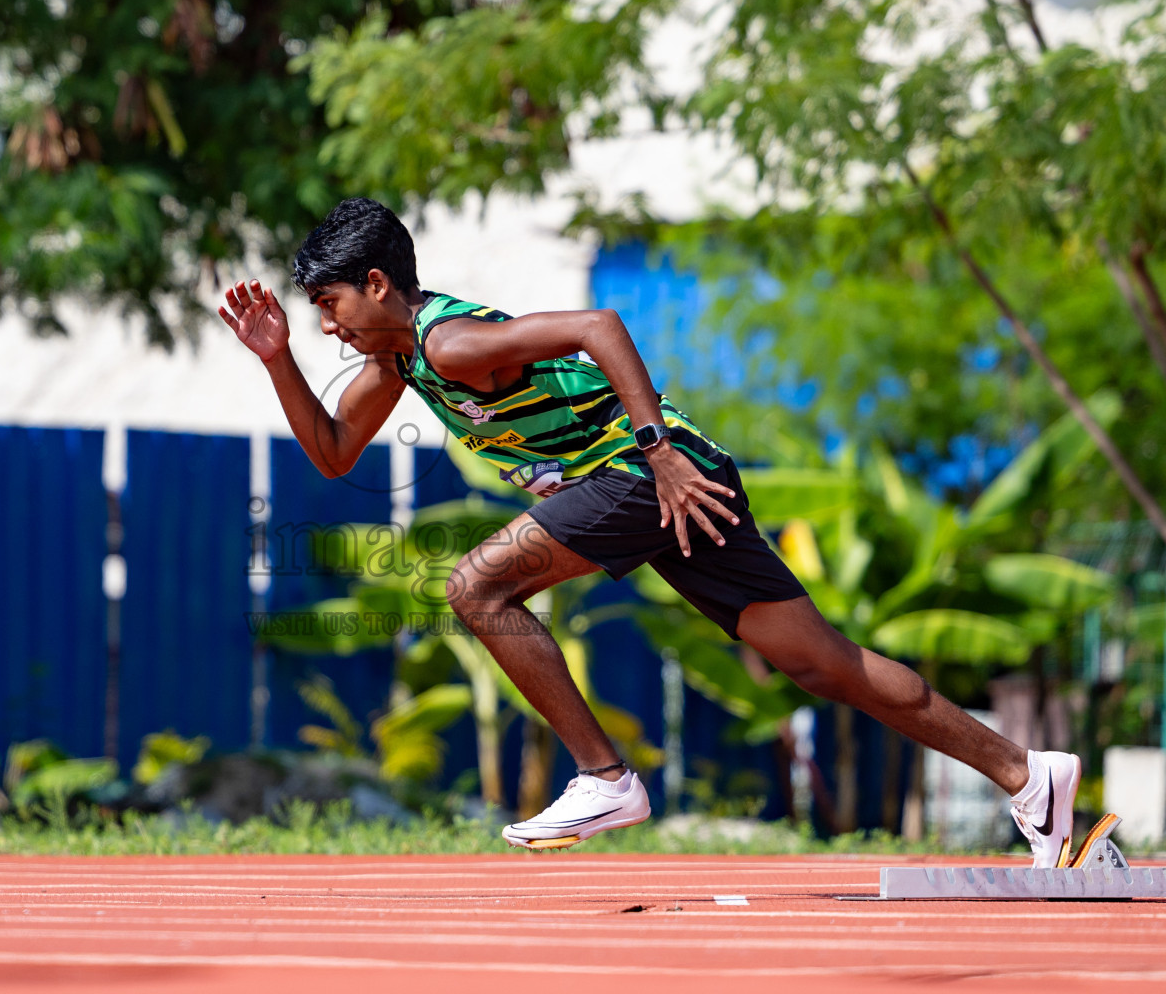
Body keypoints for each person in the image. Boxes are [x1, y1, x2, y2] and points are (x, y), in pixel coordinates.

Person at [218, 197, 1079, 866]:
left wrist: (659, 452)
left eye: (329, 305)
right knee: (822, 662)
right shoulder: (398, 363)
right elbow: (332, 453)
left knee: (476, 585)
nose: (326, 325)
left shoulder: (449, 343)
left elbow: (599, 328)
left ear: (376, 284)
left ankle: (605, 778)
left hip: (647, 473)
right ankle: (1028, 776)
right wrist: (276, 358)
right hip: (668, 486)